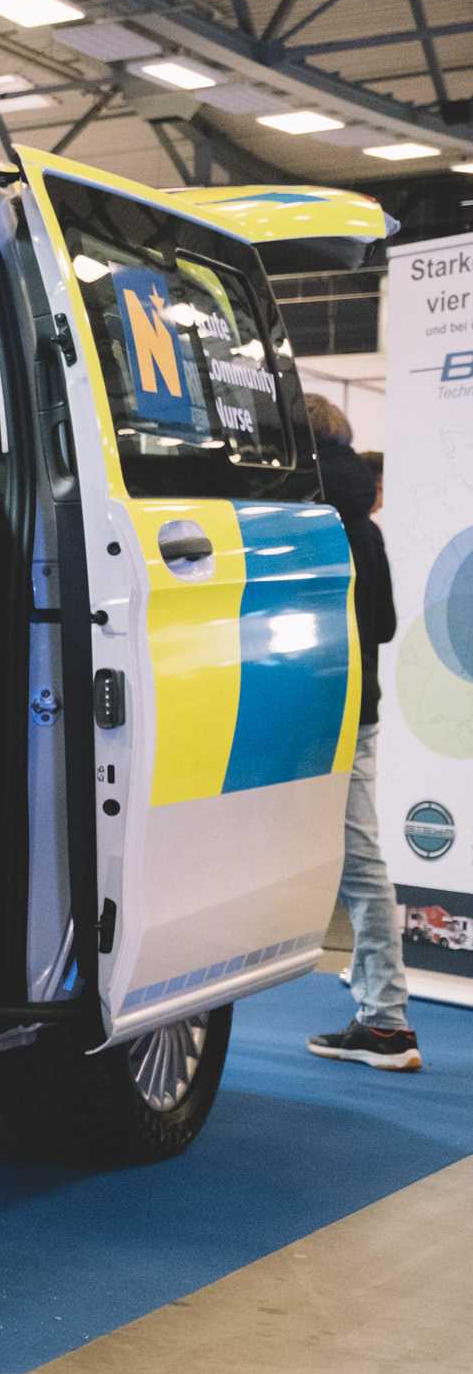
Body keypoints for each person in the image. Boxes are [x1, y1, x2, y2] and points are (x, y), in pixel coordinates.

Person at [306, 395, 416, 1070]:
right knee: (357, 858)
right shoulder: (361, 525)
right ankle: (381, 1014)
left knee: (360, 862)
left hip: (323, 709)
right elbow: (385, 625)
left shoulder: (310, 522)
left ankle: (386, 1022)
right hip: (357, 706)